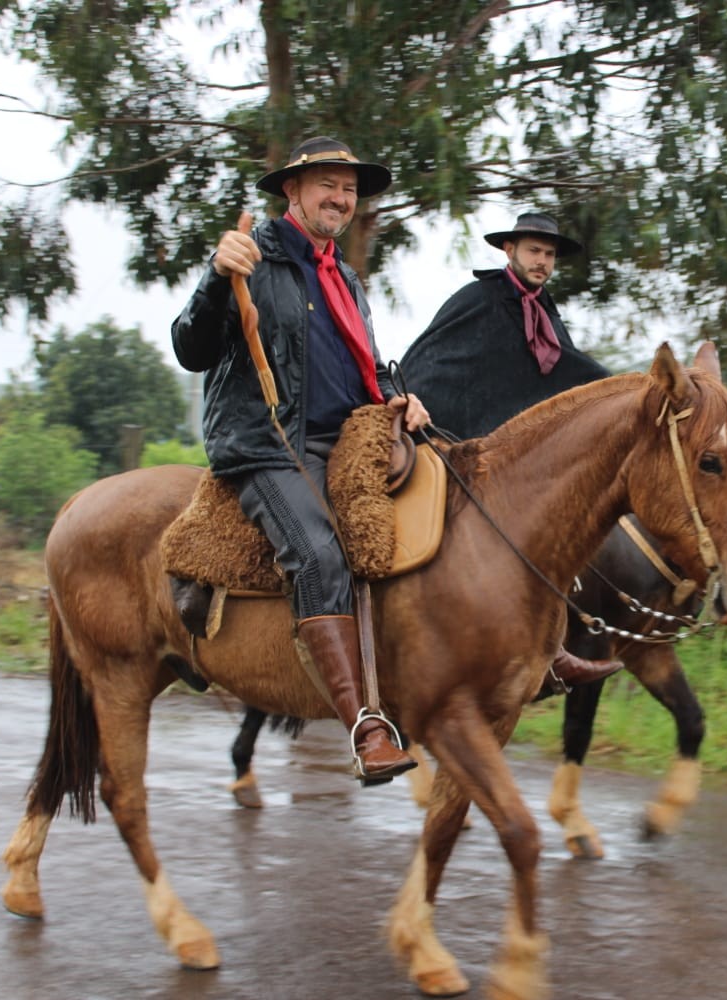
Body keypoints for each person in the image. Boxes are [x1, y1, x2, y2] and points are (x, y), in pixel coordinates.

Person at [172, 136, 426, 783]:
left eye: (349, 189)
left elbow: (361, 367)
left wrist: (399, 399)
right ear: (293, 190)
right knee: (318, 552)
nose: (340, 198)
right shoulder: (252, 257)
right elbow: (191, 347)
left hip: (347, 440)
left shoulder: (345, 277)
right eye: (327, 185)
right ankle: (366, 727)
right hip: (268, 444)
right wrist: (214, 276)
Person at [399, 211, 621, 688]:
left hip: (508, 451)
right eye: (534, 251)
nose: (542, 262)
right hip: (451, 438)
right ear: (509, 251)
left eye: (549, 255)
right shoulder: (479, 299)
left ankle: (548, 646)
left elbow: (567, 374)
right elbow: (431, 362)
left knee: (550, 530)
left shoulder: (546, 311)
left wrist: (622, 391)